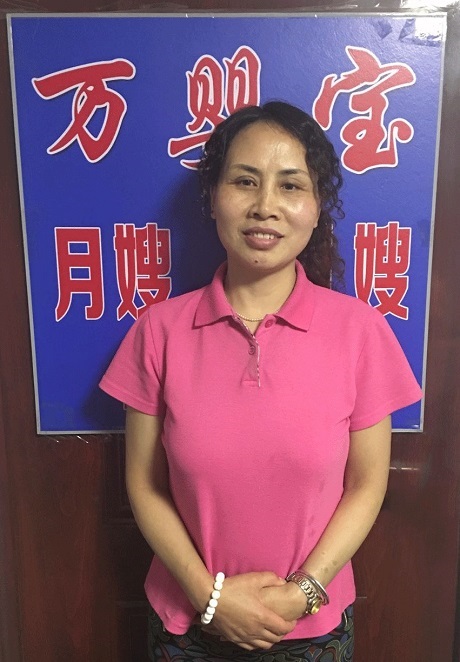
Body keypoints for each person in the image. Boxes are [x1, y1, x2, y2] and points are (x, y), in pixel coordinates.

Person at [100, 101, 422, 661]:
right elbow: (145, 485)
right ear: (213, 198)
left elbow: (367, 484)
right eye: (244, 181)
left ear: (317, 208)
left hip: (312, 628)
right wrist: (210, 598)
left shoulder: (361, 332)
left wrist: (304, 592)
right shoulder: (159, 331)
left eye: (291, 186)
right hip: (186, 625)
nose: (265, 206)